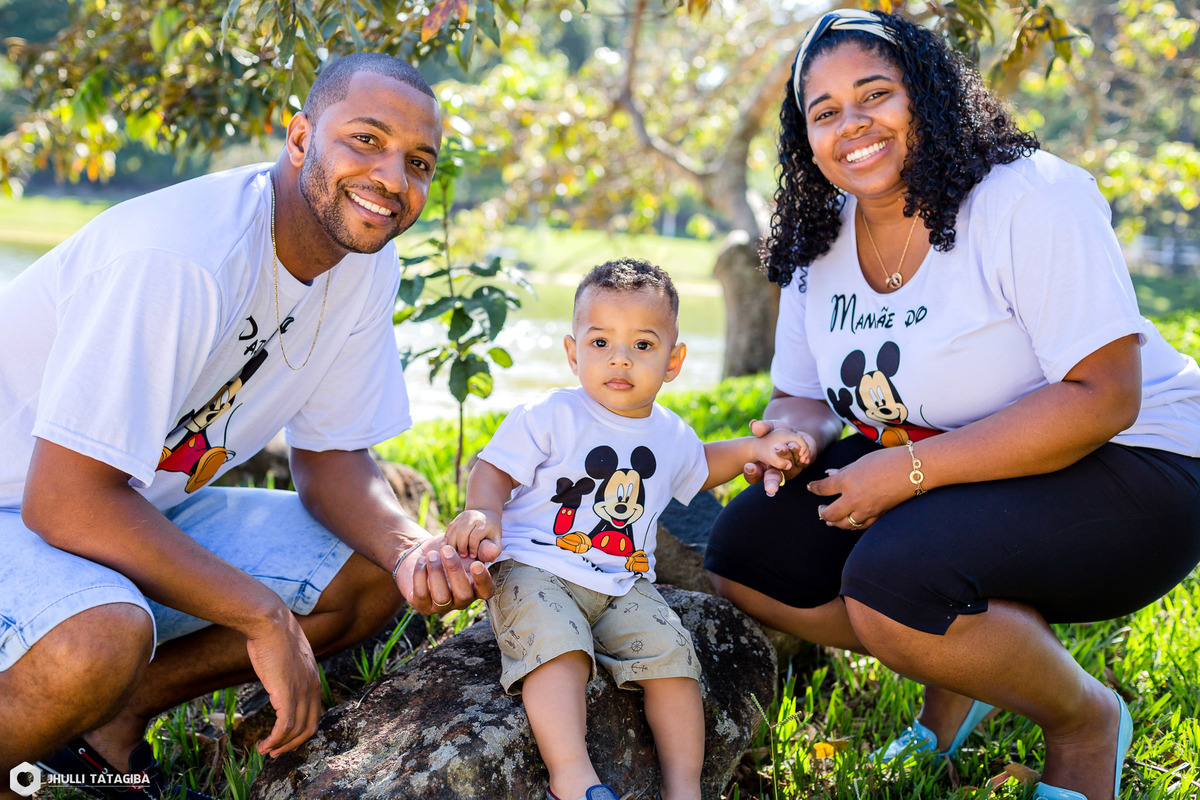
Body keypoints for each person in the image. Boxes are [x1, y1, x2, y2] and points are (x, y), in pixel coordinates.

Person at [702, 10, 1200, 800]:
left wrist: (907, 472)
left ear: (928, 95)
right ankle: (968, 662)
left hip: (1135, 462)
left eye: (875, 94)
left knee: (892, 584)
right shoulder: (816, 237)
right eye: (825, 111)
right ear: (806, 138)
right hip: (956, 463)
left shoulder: (1029, 197)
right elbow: (801, 394)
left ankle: (1083, 721)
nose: (851, 123)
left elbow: (1105, 396)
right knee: (749, 557)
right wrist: (790, 438)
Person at [0, 53, 497, 800]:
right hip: (27, 506)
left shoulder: (362, 260)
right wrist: (263, 616)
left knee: (369, 570)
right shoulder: (180, 257)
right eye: (366, 139)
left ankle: (107, 727)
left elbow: (332, 457)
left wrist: (412, 550)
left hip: (124, 507)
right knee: (99, 636)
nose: (394, 179)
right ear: (300, 138)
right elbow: (63, 501)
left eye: (418, 162)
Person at [445, 259, 808, 800]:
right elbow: (494, 469)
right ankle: (572, 778)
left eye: (642, 344)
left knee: (674, 658)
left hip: (623, 584)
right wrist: (484, 512)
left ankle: (684, 788)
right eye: (600, 343)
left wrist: (757, 448)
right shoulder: (551, 413)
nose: (620, 358)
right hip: (535, 567)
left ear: (673, 360)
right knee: (558, 649)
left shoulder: (670, 434)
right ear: (573, 353)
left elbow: (704, 464)